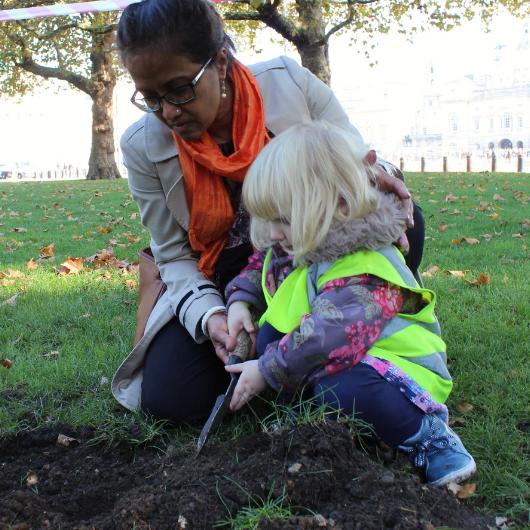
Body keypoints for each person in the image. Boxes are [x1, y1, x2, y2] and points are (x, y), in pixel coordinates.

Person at [111, 0, 424, 424]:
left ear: (220, 62)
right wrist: (212, 316)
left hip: (310, 250)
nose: (168, 111)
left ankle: (350, 334)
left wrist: (381, 173)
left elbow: (354, 164)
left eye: (180, 89)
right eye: (150, 98)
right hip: (222, 276)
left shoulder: (288, 84)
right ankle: (290, 355)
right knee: (172, 399)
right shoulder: (142, 145)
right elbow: (173, 257)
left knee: (407, 222)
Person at [225, 121, 476, 487]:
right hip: (345, 357)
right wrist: (240, 301)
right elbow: (265, 262)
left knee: (346, 389)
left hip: (396, 372)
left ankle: (428, 435)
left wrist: (267, 370)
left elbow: (328, 335)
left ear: (336, 205)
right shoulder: (309, 236)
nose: (276, 232)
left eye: (283, 220)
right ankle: (333, 423)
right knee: (274, 343)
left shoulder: (366, 262)